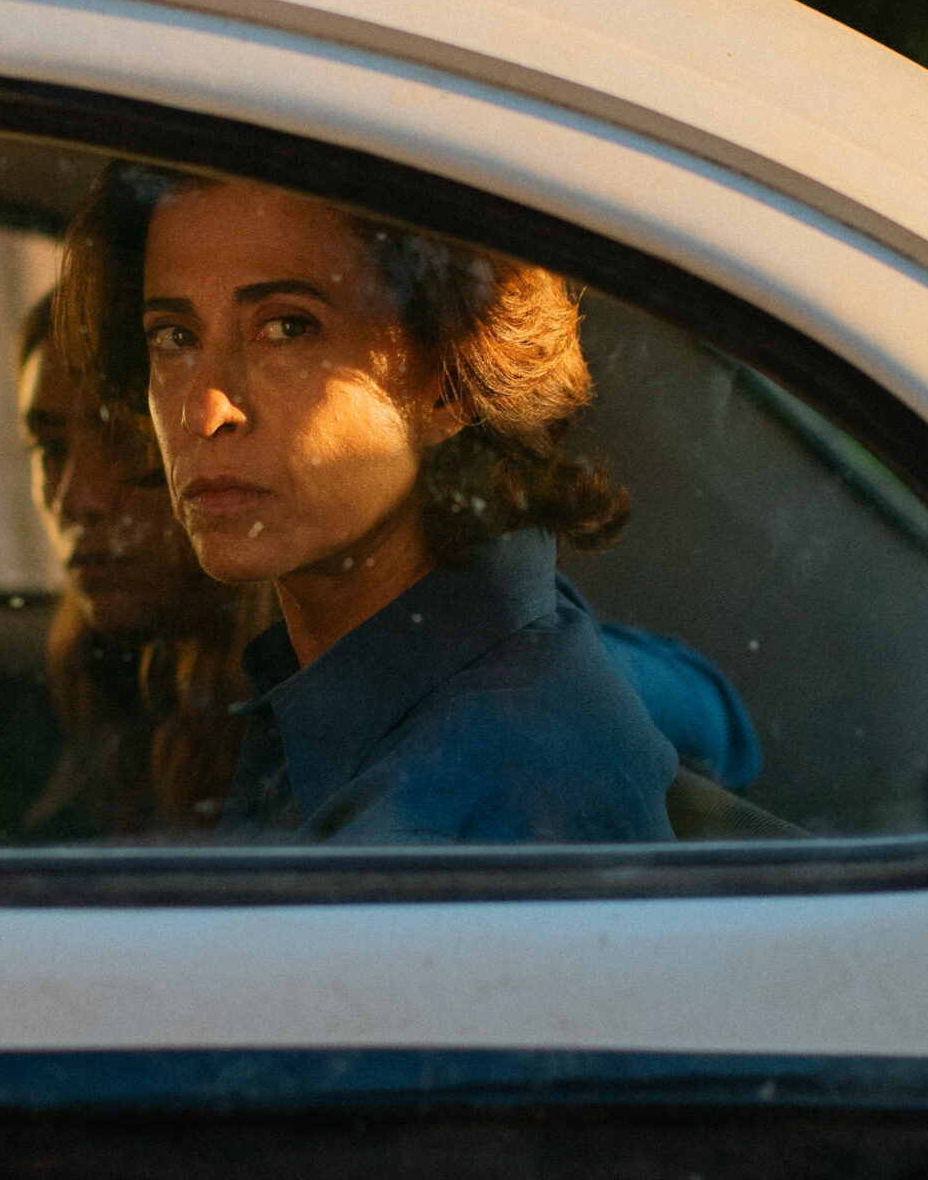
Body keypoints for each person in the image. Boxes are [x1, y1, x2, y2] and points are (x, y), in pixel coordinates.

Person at [57, 168, 679, 843]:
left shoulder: (465, 793)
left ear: (447, 381)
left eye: (287, 328)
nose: (204, 410)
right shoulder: (482, 658)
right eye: (174, 337)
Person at [13, 291, 273, 837]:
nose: (75, 498)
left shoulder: (282, 725)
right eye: (51, 447)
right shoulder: (98, 689)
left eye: (126, 442)